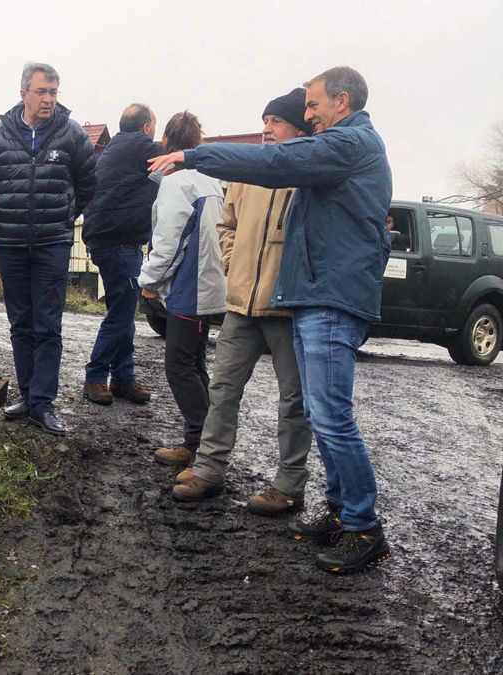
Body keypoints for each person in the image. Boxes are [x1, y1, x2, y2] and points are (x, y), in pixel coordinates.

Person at [148, 66, 392, 574]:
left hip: (330, 299)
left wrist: (195, 155)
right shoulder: (340, 149)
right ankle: (343, 513)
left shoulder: (350, 145)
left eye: (312, 105)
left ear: (341, 102)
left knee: (328, 415)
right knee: (321, 415)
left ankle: (364, 526)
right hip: (308, 297)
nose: (307, 115)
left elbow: (277, 163)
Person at [171, 89, 315, 517]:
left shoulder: (311, 172)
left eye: (275, 121)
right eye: (265, 120)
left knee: (294, 400)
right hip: (241, 304)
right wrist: (234, 263)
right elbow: (227, 223)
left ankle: (289, 485)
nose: (266, 129)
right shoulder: (249, 172)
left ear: (299, 128)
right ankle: (209, 469)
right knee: (223, 388)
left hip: (287, 308)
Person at [0, 62, 96, 436]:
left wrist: (66, 215)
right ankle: (27, 394)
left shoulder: (70, 135)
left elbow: (89, 184)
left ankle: (43, 403)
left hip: (52, 243)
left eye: (54, 92)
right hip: (11, 243)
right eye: (42, 92)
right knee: (20, 323)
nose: (49, 99)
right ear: (24, 94)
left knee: (47, 324)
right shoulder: (0, 136)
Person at [137, 112, 226, 467]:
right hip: (208, 283)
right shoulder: (210, 180)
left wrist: (149, 282)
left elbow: (170, 241)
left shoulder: (178, 184)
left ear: (166, 143)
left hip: (190, 287)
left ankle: (199, 446)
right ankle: (206, 443)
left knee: (178, 365)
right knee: (194, 362)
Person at [79, 104, 161, 406]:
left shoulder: (111, 150)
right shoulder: (144, 148)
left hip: (102, 239)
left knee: (124, 312)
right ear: (146, 126)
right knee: (120, 315)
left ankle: (123, 378)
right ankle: (95, 377)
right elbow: (176, 160)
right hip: (120, 241)